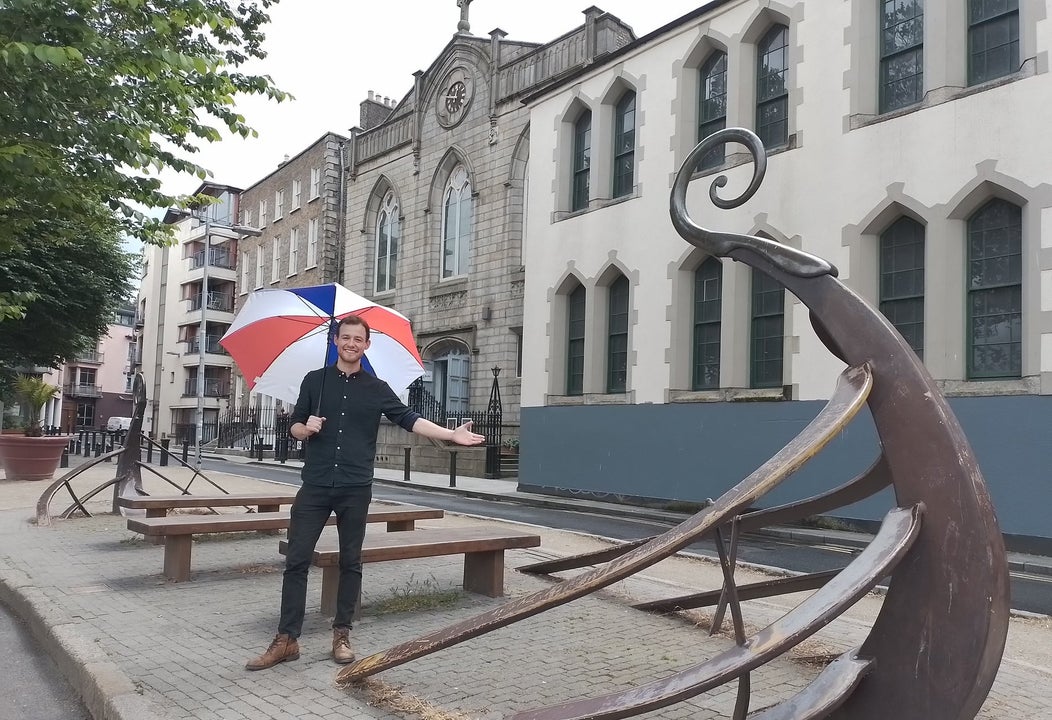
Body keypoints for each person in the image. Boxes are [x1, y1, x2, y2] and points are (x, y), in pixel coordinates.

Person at [246, 315, 485, 671]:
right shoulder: (315, 380)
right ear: (336, 340)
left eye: (358, 339)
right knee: (296, 560)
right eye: (346, 337)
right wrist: (305, 428)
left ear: (366, 345)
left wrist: (450, 434)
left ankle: (341, 634)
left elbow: (409, 419)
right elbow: (294, 424)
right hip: (315, 485)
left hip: (355, 487)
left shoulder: (377, 388)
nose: (351, 344)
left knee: (350, 561)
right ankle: (287, 640)